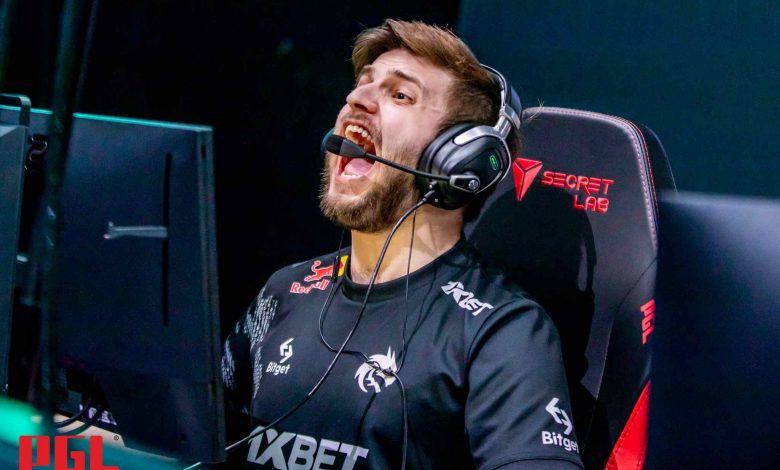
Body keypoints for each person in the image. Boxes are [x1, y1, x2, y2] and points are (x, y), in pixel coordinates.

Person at [222, 19, 583, 469]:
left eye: (400, 95)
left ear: (458, 161)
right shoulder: (284, 291)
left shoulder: (501, 330)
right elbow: (186, 442)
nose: (356, 100)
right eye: (361, 84)